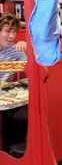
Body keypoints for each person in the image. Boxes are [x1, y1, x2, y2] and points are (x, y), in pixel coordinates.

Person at [0, 13, 27, 153]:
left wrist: (28, 49)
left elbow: (34, 69)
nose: (11, 36)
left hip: (6, 102)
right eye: (7, 31)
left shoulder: (14, 50)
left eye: (14, 32)